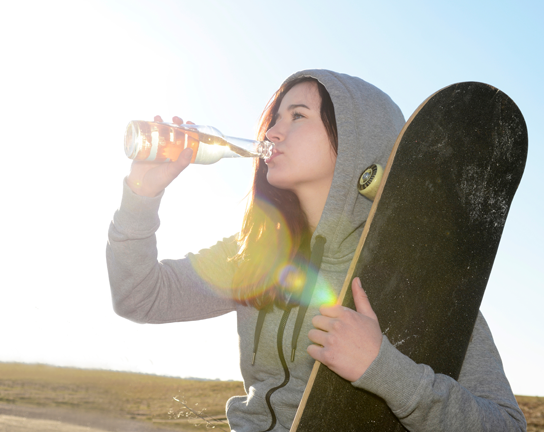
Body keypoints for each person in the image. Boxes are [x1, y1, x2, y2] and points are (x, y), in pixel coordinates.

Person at [106, 70, 526, 432]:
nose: (271, 132)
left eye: (298, 116)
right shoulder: (255, 253)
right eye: (275, 118)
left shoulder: (417, 274)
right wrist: (141, 194)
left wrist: (383, 369)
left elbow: (505, 424)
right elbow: (139, 296)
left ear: (357, 141)